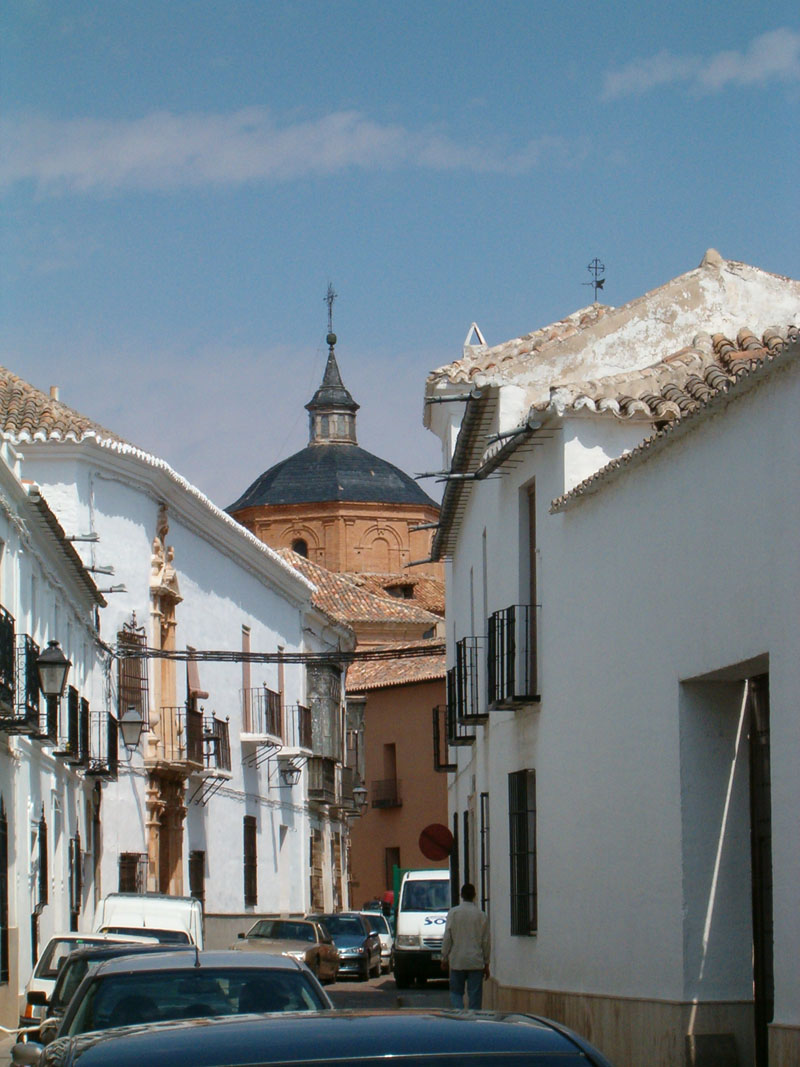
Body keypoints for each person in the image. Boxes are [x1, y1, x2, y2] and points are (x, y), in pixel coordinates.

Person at [440, 882, 490, 1009]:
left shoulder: (453, 913)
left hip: (458, 961)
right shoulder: (481, 915)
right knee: (475, 996)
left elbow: (447, 938)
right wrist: (487, 963)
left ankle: (459, 1015)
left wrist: (444, 957)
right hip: (475, 961)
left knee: (456, 993)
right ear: (474, 895)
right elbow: (486, 941)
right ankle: (472, 1021)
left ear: (461, 895)